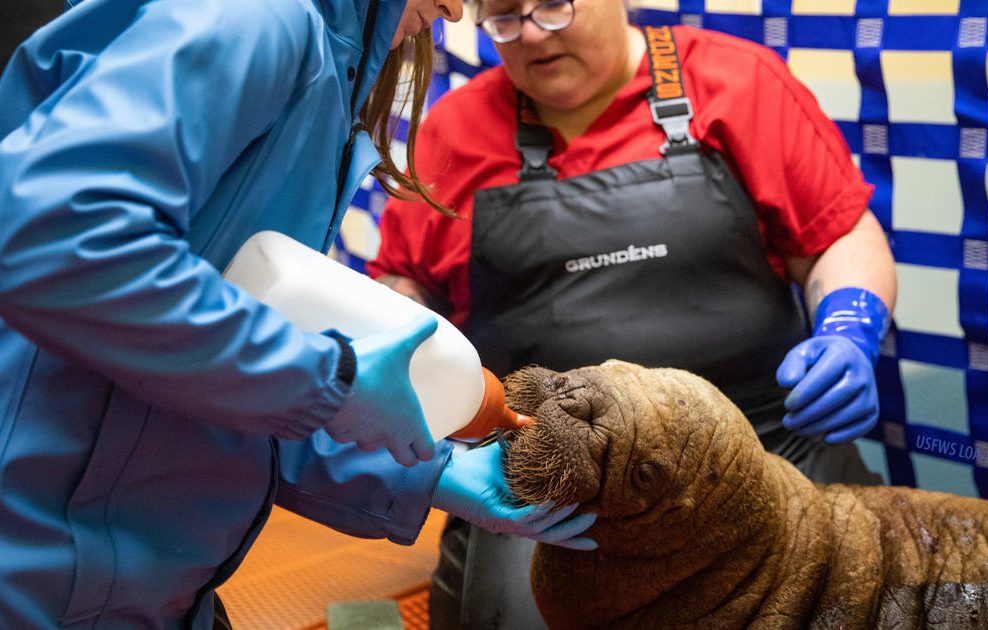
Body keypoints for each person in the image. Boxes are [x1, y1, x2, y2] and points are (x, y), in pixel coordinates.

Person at [0, 0, 597, 627]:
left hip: (147, 591)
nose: (453, 10)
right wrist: (322, 379)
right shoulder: (256, 17)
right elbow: (55, 236)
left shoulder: (326, 83)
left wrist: (419, 473)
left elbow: (199, 377)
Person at [367, 0, 898, 626]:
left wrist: (848, 334)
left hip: (772, 452)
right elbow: (405, 286)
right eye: (506, 19)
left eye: (554, 7)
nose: (533, 35)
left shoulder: (740, 82)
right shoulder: (454, 132)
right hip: (550, 478)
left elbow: (838, 237)